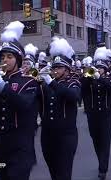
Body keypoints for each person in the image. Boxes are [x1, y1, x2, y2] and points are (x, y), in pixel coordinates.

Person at [0, 21, 40, 180]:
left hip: (20, 148)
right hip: (0, 146)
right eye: (3, 57)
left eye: (9, 57)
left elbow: (23, 104)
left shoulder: (29, 82)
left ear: (18, 59)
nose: (5, 60)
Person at [39, 37, 80, 180]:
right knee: (53, 172)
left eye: (59, 68)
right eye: (54, 67)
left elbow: (73, 96)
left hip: (66, 136)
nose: (55, 70)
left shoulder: (72, 83)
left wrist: (50, 82)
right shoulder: (46, 84)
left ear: (67, 70)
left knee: (63, 174)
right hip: (47, 135)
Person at [80, 47, 111, 180]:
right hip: (93, 116)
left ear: (105, 69)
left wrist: (99, 77)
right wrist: (88, 76)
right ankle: (101, 162)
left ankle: (103, 168)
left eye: (101, 68)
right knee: (96, 142)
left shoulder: (110, 78)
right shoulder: (89, 79)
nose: (98, 69)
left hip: (106, 117)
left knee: (105, 142)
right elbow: (82, 86)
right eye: (97, 67)